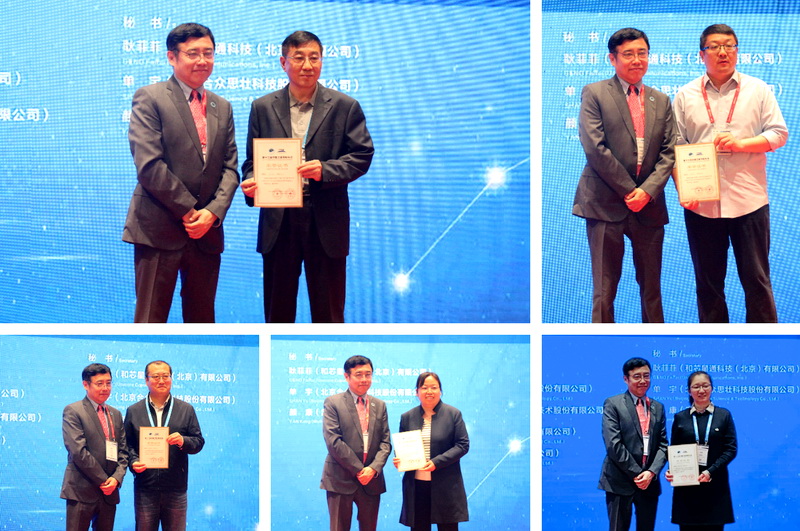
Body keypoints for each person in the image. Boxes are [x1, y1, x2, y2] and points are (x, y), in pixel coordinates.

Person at [240, 30, 374, 323]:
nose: (307, 65)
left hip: (325, 216)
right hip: (279, 217)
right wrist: (251, 182)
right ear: (283, 63)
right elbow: (251, 161)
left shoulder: (344, 106)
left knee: (328, 313)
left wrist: (325, 171)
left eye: (314, 58)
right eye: (298, 58)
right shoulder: (262, 107)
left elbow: (362, 155)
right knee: (277, 311)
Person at [123, 22, 239, 323]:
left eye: (208, 53)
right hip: (158, 229)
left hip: (207, 233)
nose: (202, 60)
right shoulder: (150, 97)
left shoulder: (222, 106)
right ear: (172, 57)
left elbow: (230, 168)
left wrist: (212, 213)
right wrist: (189, 212)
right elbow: (149, 165)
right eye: (193, 53)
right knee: (150, 320)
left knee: (202, 321)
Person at [673, 24, 788, 323]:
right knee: (708, 285)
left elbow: (778, 133)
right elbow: (676, 146)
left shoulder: (758, 90)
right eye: (714, 46)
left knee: (757, 282)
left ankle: (764, 343)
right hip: (702, 204)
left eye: (729, 46)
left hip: (749, 201)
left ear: (737, 51)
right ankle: (714, 342)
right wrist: (684, 190)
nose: (722, 52)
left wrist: (740, 144)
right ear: (701, 54)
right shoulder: (685, 95)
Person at [573, 27, 676, 323]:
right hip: (605, 204)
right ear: (612, 58)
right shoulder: (595, 93)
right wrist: (630, 190)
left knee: (652, 289)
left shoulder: (661, 99)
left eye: (642, 53)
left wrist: (647, 191)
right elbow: (594, 147)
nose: (636, 60)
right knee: (604, 291)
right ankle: (601, 343)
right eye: (628, 54)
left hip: (649, 206)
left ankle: (654, 341)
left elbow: (669, 152)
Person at [123, 360, 205, 531]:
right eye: (156, 376)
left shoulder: (186, 409)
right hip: (145, 487)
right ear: (146, 380)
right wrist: (133, 462)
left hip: (176, 489)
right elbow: (127, 446)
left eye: (165, 376)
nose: (161, 380)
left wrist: (183, 441)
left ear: (171, 378)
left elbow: (198, 442)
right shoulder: (134, 410)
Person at [321, 355, 391, 531]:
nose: (364, 379)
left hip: (371, 481)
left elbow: (385, 443)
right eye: (359, 374)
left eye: (368, 374)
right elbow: (333, 441)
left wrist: (373, 469)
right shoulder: (333, 403)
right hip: (340, 478)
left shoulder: (379, 405)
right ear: (347, 376)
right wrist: (360, 470)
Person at [393, 372, 469, 530]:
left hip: (446, 484)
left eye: (434, 387)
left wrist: (436, 463)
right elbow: (401, 446)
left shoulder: (453, 414)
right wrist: (399, 459)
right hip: (417, 485)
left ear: (440, 391)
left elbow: (462, 445)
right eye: (424, 387)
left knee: (447, 527)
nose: (429, 391)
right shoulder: (407, 417)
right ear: (417, 392)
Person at [599, 357, 668, 531]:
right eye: (637, 376)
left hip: (649, 483)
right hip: (620, 481)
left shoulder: (658, 407)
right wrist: (638, 474)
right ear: (626, 379)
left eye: (647, 375)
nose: (643, 381)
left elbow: (663, 444)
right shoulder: (613, 404)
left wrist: (651, 473)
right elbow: (613, 444)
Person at [61, 363, 129, 531]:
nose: (105, 388)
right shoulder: (73, 411)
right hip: (81, 490)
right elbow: (78, 452)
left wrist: (116, 479)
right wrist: (104, 480)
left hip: (109, 493)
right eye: (100, 383)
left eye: (108, 383)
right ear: (86, 384)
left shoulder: (115, 414)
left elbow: (123, 452)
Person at [666, 371, 737, 530]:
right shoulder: (680, 417)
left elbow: (730, 449)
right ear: (689, 390)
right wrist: (672, 470)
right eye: (696, 386)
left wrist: (710, 471)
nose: (701, 390)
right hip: (687, 489)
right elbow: (674, 450)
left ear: (712, 388)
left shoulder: (723, 415)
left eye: (705, 386)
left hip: (715, 486)